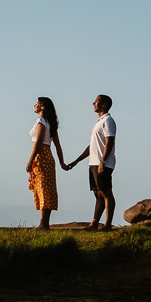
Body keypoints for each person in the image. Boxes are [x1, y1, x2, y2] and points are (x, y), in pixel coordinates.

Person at [64, 94, 117, 230]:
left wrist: (103, 161)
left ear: (104, 104)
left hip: (103, 162)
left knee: (106, 192)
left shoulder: (108, 120)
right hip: (93, 162)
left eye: (96, 101)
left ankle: (107, 224)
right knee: (97, 193)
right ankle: (94, 223)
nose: (93, 103)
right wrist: (76, 161)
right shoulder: (98, 122)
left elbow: (109, 141)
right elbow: (92, 146)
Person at [26, 97, 67, 230]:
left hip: (41, 157)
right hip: (48, 157)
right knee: (47, 189)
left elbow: (38, 142)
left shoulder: (41, 122)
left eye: (37, 103)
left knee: (43, 189)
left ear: (42, 107)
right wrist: (62, 162)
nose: (35, 105)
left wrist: (31, 160)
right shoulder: (50, 123)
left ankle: (43, 224)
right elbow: (58, 146)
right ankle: (44, 223)